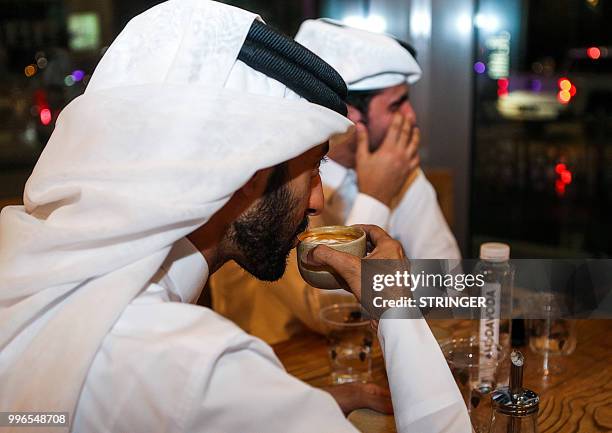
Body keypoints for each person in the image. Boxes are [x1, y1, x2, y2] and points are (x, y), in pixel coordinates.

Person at [0, 2, 471, 432]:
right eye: (311, 167)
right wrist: (395, 305)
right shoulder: (204, 371)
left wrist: (285, 406)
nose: (317, 202)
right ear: (249, 168)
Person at [210, 19, 461, 343]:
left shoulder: (399, 172)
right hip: (281, 369)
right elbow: (326, 310)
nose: (411, 117)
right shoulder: (281, 179)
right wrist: (376, 198)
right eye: (397, 104)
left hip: (368, 361)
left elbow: (449, 285)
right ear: (350, 116)